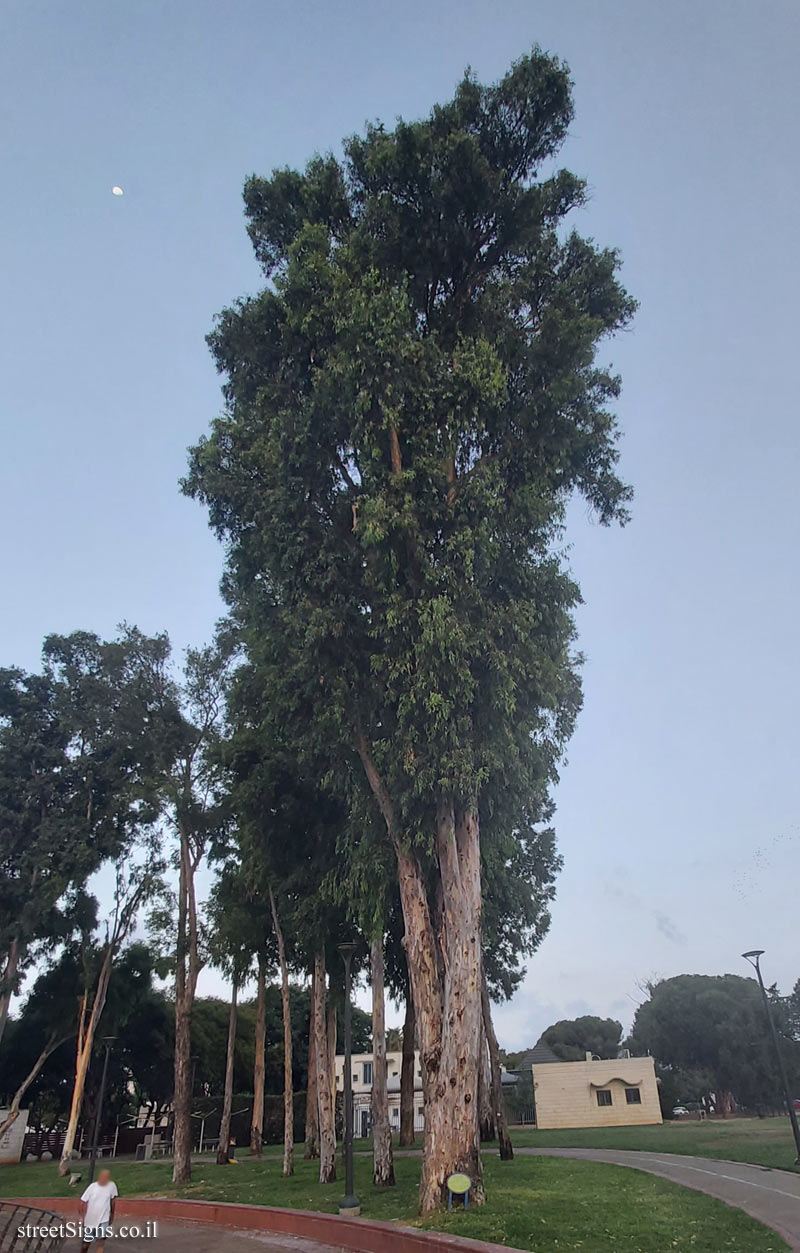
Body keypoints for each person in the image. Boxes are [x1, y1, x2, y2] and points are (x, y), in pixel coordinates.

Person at [79, 1167, 118, 1252]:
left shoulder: (112, 1186)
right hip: (91, 1219)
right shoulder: (92, 1187)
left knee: (100, 1244)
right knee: (86, 1244)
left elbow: (113, 1202)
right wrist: (82, 1217)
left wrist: (112, 1215)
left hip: (104, 1219)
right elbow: (82, 1202)